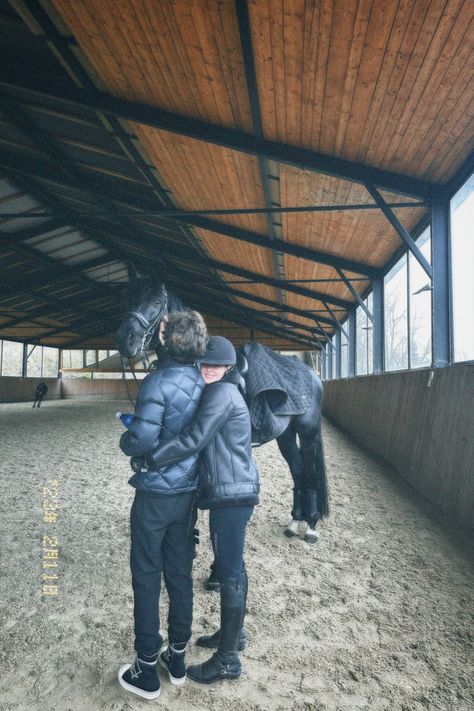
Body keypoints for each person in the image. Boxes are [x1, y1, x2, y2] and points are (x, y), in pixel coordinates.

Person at [146, 335, 259, 684]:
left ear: (227, 367)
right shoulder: (224, 390)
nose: (209, 369)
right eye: (204, 364)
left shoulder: (221, 393)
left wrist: (152, 456)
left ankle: (227, 660)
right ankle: (234, 635)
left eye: (216, 365)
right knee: (232, 566)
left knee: (229, 570)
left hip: (232, 495)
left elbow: (194, 438)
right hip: (232, 492)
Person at [118, 310, 207, 700]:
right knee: (180, 574)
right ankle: (178, 656)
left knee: (146, 574)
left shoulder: (156, 381)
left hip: (154, 494)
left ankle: (146, 668)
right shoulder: (207, 382)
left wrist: (127, 442)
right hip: (187, 494)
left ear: (166, 340)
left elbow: (141, 439)